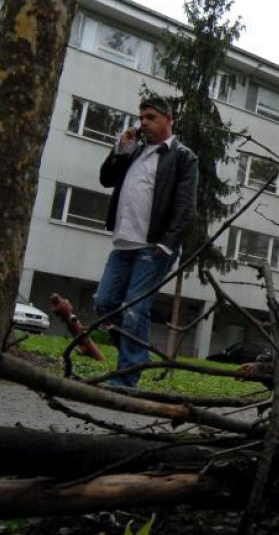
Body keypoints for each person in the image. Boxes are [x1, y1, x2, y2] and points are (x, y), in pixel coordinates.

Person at [94, 96, 198, 387]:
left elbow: (185, 207)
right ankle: (136, 355)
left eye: (150, 117)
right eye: (141, 118)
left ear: (168, 119)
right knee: (104, 303)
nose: (143, 123)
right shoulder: (133, 152)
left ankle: (126, 379)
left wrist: (165, 244)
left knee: (134, 309)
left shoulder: (182, 157)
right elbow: (106, 179)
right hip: (124, 244)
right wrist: (120, 149)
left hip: (153, 248)